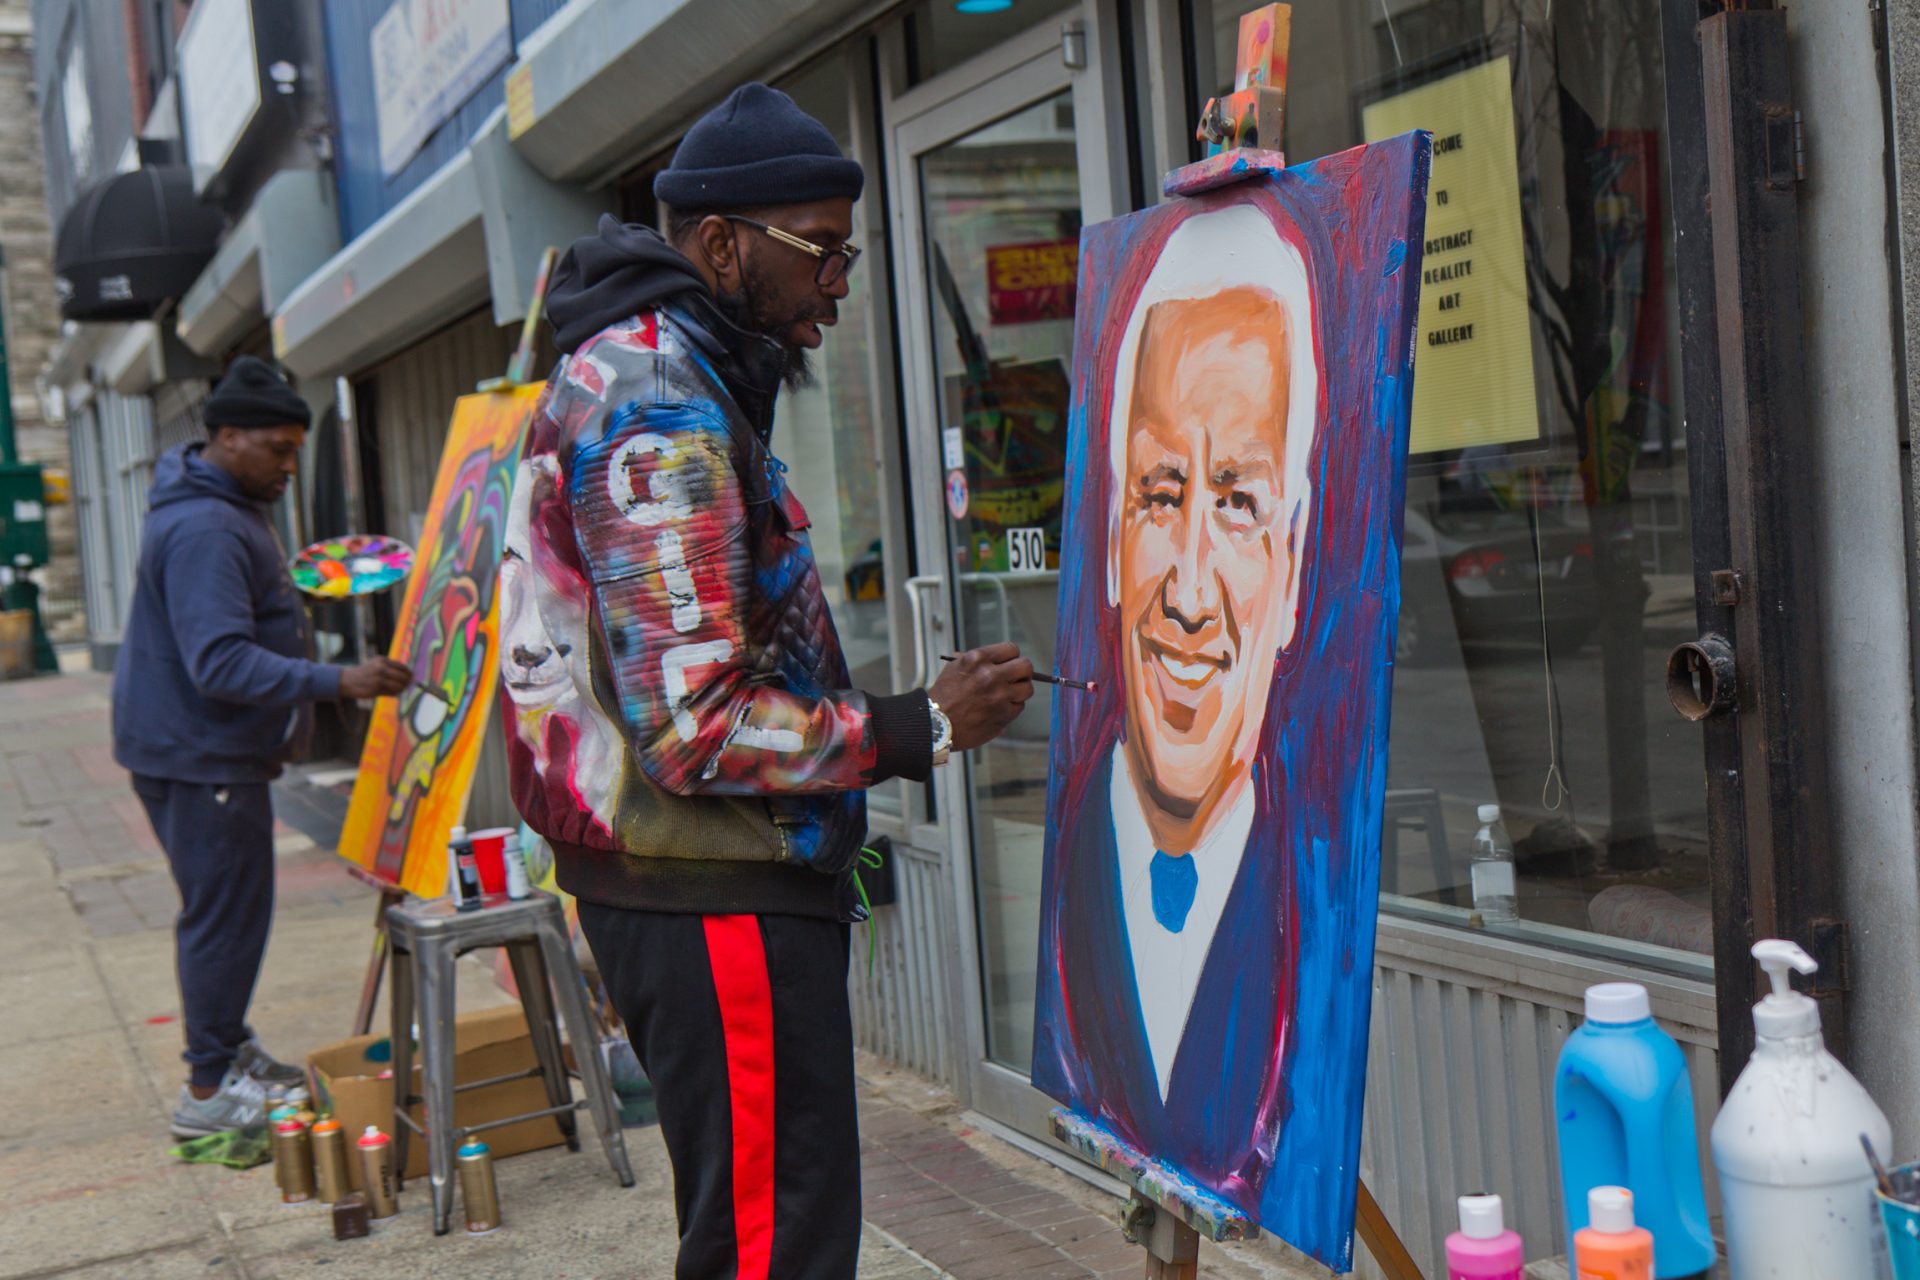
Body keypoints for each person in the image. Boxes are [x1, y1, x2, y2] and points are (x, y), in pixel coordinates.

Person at [500, 83, 1033, 1278]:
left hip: (698, 882)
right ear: (723, 246)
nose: (839, 279)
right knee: (770, 1250)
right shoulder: (656, 411)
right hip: (709, 892)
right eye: (821, 249)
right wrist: (916, 726)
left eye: (850, 250)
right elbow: (696, 728)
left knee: (765, 1231)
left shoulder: (667, 366)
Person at [1031, 202, 1319, 1205]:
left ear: (1291, 565)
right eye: (1161, 493)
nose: (1191, 592)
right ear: (1111, 537)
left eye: (1238, 502)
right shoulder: (1071, 869)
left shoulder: (1315, 897)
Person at [112, 356, 413, 1139]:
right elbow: (219, 661)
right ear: (227, 436)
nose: (289, 467)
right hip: (199, 753)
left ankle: (227, 1047)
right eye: (277, 450)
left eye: (295, 450)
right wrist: (339, 680)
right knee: (225, 918)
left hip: (195, 749)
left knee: (228, 911)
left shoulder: (220, 503)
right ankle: (208, 1095)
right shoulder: (209, 524)